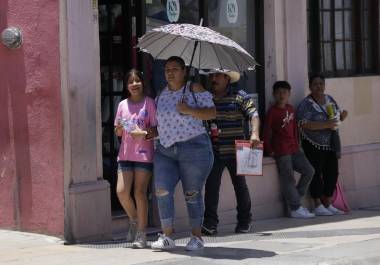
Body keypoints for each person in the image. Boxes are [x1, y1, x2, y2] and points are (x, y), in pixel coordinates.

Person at [151, 56, 216, 251]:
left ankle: (196, 237)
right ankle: (167, 236)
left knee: (192, 193)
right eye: (167, 69)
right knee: (162, 190)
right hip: (165, 150)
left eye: (175, 69)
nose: (170, 72)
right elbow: (162, 124)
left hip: (193, 148)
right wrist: (150, 133)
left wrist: (188, 109)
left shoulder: (194, 89)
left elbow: (212, 113)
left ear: (184, 71)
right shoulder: (161, 94)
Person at [201, 69, 260, 235]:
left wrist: (255, 133)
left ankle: (244, 221)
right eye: (211, 75)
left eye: (217, 75)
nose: (213, 78)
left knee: (240, 187)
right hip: (214, 151)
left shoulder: (240, 96)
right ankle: (210, 224)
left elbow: (253, 115)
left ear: (227, 78)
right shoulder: (205, 97)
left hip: (237, 151)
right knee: (211, 188)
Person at [114, 69, 158, 248]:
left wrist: (145, 133)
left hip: (144, 155)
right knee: (122, 192)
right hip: (125, 154)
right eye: (130, 82)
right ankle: (133, 220)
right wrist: (119, 128)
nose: (134, 84)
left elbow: (156, 129)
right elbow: (117, 130)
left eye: (137, 81)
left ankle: (141, 234)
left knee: (140, 193)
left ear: (142, 83)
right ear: (127, 86)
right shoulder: (122, 105)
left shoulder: (150, 103)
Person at [296, 74, 348, 216]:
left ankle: (327, 202)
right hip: (313, 144)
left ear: (324, 85)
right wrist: (326, 124)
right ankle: (317, 204)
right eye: (315, 84)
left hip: (330, 143)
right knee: (316, 173)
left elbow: (335, 119)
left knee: (332, 173)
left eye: (321, 83)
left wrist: (341, 117)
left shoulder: (329, 99)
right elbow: (303, 123)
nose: (319, 86)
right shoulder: (306, 104)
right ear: (310, 86)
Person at [263, 81, 315, 219]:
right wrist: (269, 150)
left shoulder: (291, 109)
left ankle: (296, 198)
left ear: (289, 94)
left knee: (309, 171)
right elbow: (267, 132)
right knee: (288, 178)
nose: (282, 95)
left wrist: (298, 144)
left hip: (294, 149)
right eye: (279, 92)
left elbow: (295, 129)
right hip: (281, 150)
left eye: (284, 92)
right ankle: (295, 208)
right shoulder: (272, 112)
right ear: (274, 94)